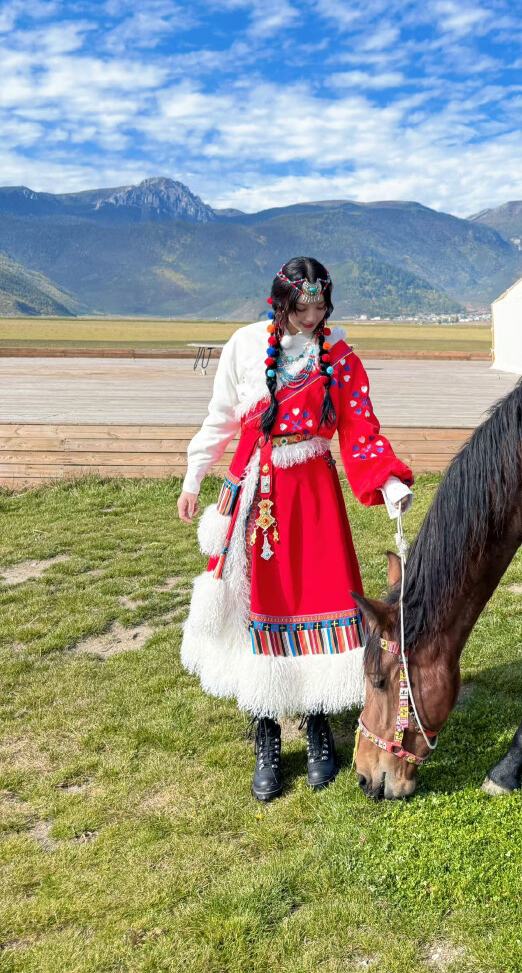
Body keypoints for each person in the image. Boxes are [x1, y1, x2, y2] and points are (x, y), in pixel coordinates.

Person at [177, 256, 413, 801]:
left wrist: (389, 482)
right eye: (302, 308)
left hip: (312, 494)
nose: (312, 317)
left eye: (321, 307)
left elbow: (361, 429)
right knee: (257, 605)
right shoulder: (243, 346)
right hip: (256, 489)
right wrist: (195, 477)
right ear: (280, 305)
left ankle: (316, 727)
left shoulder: (340, 358)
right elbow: (220, 417)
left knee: (313, 602)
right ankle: (264, 728)